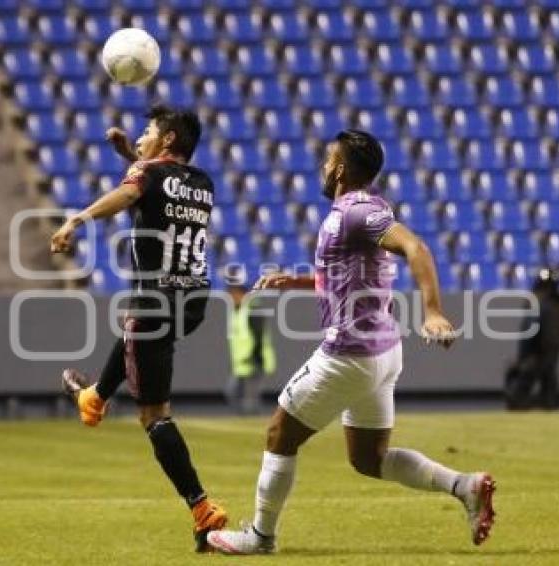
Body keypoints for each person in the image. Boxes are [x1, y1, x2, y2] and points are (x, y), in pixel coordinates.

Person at [206, 130, 496, 555]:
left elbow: (416, 247)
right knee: (368, 459)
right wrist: (300, 281)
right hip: (383, 352)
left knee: (279, 436)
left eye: (328, 159)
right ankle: (465, 486)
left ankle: (261, 537)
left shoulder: (358, 211)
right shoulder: (359, 211)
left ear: (340, 168)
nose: (323, 167)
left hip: (349, 354)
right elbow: (352, 275)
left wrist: (432, 310)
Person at [50, 104, 227, 552]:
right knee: (134, 335)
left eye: (149, 131)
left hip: (155, 300)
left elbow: (134, 193)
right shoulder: (203, 183)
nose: (142, 136)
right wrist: (132, 153)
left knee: (154, 415)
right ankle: (95, 398)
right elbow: (159, 183)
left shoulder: (146, 173)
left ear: (167, 140)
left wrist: (76, 219)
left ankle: (202, 507)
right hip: (193, 298)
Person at [505, 267, 559, 410]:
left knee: (525, 387)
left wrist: (523, 356)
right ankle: (546, 404)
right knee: (548, 386)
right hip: (550, 351)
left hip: (537, 352)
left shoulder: (539, 301)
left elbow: (529, 329)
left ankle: (529, 404)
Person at [225, 276, 276, 415]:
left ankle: (253, 422)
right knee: (235, 393)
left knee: (250, 398)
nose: (232, 296)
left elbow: (258, 336)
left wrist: (255, 356)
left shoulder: (252, 310)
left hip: (254, 360)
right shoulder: (238, 311)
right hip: (241, 363)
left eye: (234, 293)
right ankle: (243, 420)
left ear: (243, 294)